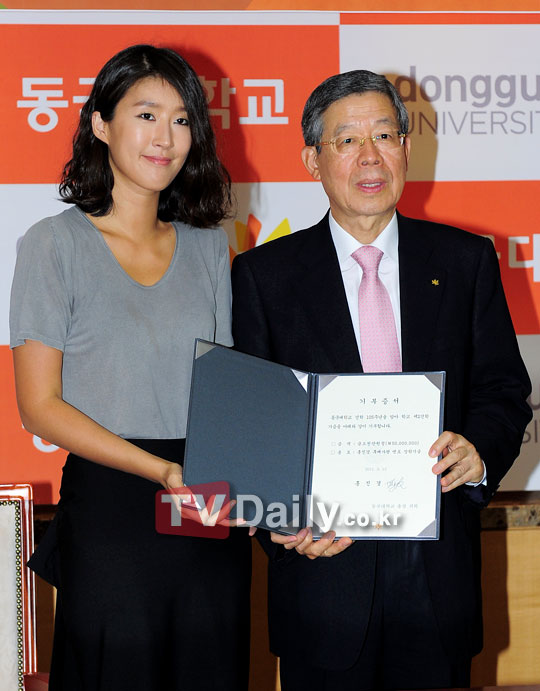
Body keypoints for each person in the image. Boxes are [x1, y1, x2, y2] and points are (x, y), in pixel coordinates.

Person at [231, 70, 531, 690]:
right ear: (312, 160)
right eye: (347, 140)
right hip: (322, 575)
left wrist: (478, 452)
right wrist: (281, 517)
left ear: (406, 149)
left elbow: (503, 392)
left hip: (436, 576)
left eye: (385, 136)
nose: (370, 156)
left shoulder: (465, 260)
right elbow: (251, 423)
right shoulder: (264, 276)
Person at [10, 44, 251, 691]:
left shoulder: (209, 245)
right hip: (112, 508)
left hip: (205, 499)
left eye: (181, 119)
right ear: (100, 123)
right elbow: (39, 406)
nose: (165, 137)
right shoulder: (53, 243)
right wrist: (160, 469)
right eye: (146, 115)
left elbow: (226, 389)